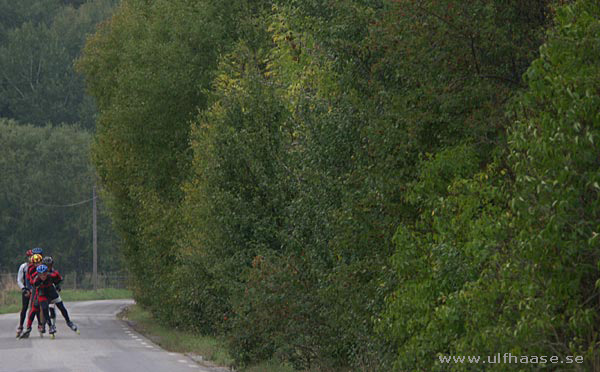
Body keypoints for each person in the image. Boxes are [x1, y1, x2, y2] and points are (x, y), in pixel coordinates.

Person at [41, 256, 78, 334]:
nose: (48, 268)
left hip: (53, 293)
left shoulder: (54, 273)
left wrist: (58, 286)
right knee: (45, 309)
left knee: (62, 307)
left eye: (50, 266)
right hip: (44, 294)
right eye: (46, 266)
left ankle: (68, 322)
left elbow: (59, 280)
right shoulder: (40, 273)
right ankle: (46, 325)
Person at [16, 250, 33, 338]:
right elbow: (19, 279)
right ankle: (21, 325)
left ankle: (39, 324)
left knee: (35, 308)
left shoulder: (37, 266)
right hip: (26, 289)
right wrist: (23, 288)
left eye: (33, 257)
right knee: (25, 308)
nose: (31, 259)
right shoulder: (24, 266)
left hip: (35, 289)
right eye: (30, 257)